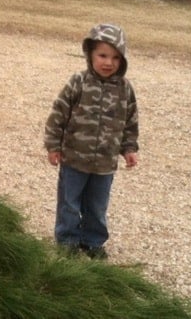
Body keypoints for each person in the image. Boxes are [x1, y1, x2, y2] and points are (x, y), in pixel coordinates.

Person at [44, 23, 139, 260]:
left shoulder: (125, 89)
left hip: (105, 164)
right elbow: (58, 114)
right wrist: (53, 145)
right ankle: (67, 241)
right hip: (74, 159)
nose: (108, 62)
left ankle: (93, 241)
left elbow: (130, 121)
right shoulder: (78, 82)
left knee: (97, 205)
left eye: (115, 57)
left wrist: (129, 148)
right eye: (102, 55)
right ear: (90, 54)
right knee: (69, 203)